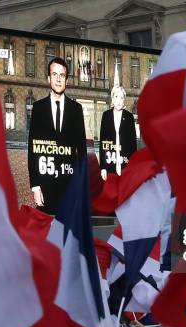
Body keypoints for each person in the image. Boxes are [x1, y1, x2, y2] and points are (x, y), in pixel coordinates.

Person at [27, 57, 87, 214]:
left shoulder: (76, 109)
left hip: (69, 185)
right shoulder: (38, 108)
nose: (59, 79)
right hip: (45, 185)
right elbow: (33, 150)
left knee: (65, 235)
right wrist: (35, 186)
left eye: (62, 75)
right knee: (46, 235)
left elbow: (81, 151)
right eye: (55, 74)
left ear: (67, 80)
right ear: (48, 79)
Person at [99, 86, 137, 179]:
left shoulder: (129, 117)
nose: (119, 101)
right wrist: (103, 167)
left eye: (121, 97)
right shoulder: (106, 115)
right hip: (109, 164)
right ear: (112, 98)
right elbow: (102, 142)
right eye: (116, 97)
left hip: (125, 166)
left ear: (124, 100)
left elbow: (133, 145)